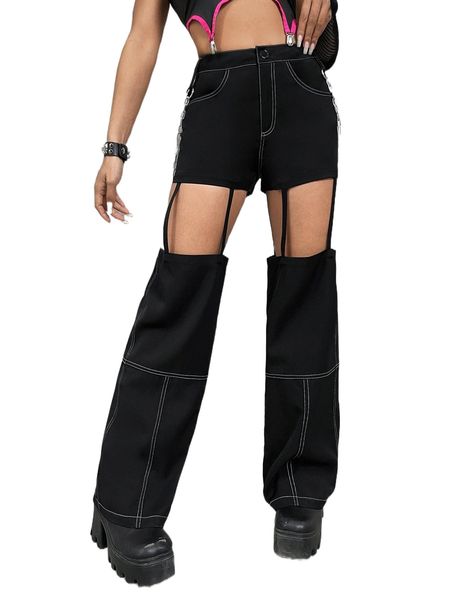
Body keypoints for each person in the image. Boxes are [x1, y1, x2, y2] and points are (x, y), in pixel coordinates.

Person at [91, 0, 340, 587]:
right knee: (180, 296)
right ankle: (127, 509)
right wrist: (114, 149)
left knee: (305, 290)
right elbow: (143, 34)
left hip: (300, 85)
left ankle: (301, 495)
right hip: (219, 95)